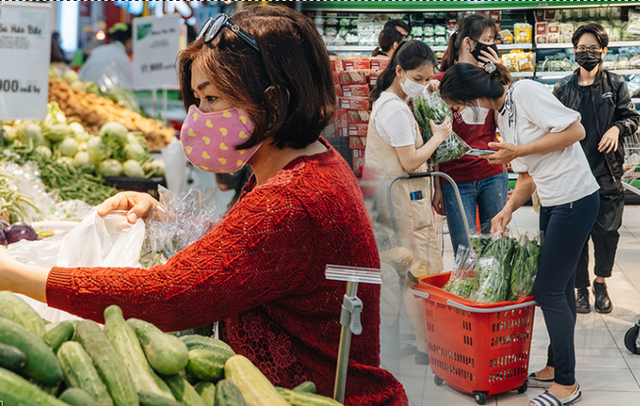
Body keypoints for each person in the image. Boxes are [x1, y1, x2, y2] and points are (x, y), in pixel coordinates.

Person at [0, 7, 408, 405]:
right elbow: (249, 257)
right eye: (198, 98)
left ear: (276, 101)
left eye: (211, 98)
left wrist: (12, 275)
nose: (198, 116)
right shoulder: (304, 163)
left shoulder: (292, 200)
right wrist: (163, 215)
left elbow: (167, 296)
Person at [440, 63, 599, 406]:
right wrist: (508, 209)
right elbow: (526, 177)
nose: (460, 112)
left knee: (547, 290)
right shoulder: (501, 116)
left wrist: (518, 151)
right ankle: (556, 366)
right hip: (553, 203)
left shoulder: (524, 92)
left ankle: (567, 384)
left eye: (457, 104)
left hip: (576, 198)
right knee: (562, 288)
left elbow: (576, 131)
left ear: (471, 96)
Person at [364, 40, 451, 365]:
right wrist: (439, 137)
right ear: (399, 71)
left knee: (402, 272)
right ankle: (425, 349)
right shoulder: (395, 110)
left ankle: (402, 344)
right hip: (403, 201)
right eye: (418, 77)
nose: (423, 84)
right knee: (418, 271)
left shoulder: (389, 102)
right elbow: (411, 161)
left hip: (393, 197)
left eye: (428, 78)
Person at [554, 23, 640, 314]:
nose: (586, 53)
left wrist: (617, 127)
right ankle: (581, 289)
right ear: (574, 51)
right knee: (576, 238)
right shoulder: (562, 87)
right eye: (581, 48)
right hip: (573, 175)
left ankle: (601, 282)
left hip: (607, 172)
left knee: (607, 234)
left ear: (603, 51)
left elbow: (631, 118)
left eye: (592, 48)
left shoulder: (615, 84)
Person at [431, 14, 507, 255]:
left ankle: (494, 294)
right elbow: (434, 140)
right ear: (468, 43)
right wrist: (438, 185)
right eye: (487, 40)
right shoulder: (440, 83)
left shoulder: (492, 81)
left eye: (494, 40)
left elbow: (506, 116)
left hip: (492, 175)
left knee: (496, 246)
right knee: (464, 252)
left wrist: (498, 73)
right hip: (455, 180)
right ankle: (465, 293)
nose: (492, 45)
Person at [78, 23, 133, 90]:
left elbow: (81, 75)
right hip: (105, 97)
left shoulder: (99, 50)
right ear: (129, 40)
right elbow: (126, 86)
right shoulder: (123, 57)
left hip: (83, 92)